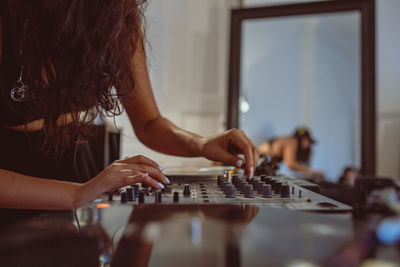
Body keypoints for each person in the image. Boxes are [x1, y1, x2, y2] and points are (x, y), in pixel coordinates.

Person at [0, 0, 259, 210]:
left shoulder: (116, 16)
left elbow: (149, 123)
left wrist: (201, 144)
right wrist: (75, 194)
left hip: (79, 171)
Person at [258, 127, 323, 177]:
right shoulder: (292, 141)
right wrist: (312, 171)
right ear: (303, 139)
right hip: (258, 161)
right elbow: (290, 164)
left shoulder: (288, 140)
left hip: (261, 162)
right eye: (308, 141)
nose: (308, 146)